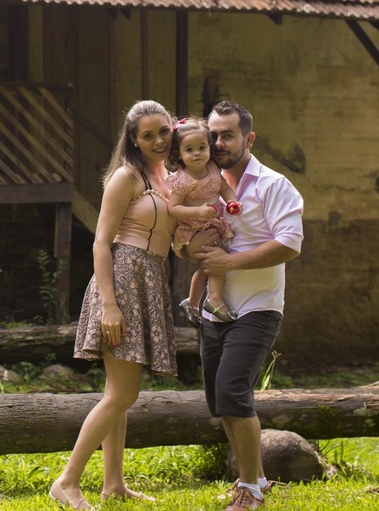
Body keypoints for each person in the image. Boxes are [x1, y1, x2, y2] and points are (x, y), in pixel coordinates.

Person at [49, 100, 193, 510]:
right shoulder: (126, 177)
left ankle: (113, 484)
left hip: (151, 278)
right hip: (123, 279)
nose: (159, 141)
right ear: (133, 139)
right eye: (148, 135)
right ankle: (67, 481)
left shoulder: (170, 177)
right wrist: (110, 304)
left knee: (120, 392)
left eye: (163, 131)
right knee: (122, 395)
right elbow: (100, 242)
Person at [192, 100, 304, 511]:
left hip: (258, 307)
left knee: (232, 390)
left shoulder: (274, 185)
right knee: (218, 399)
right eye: (213, 135)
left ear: (248, 138)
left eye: (227, 135)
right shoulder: (204, 183)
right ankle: (255, 478)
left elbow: (290, 244)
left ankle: (249, 490)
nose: (218, 143)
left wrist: (229, 262)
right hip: (214, 309)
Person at [165, 117, 242, 325]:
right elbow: (172, 208)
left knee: (207, 264)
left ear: (209, 147)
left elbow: (224, 188)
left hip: (212, 224)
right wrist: (198, 211)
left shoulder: (214, 169)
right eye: (189, 150)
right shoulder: (182, 180)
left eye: (201, 147)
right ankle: (214, 299)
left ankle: (192, 301)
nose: (197, 153)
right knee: (216, 259)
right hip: (193, 228)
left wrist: (232, 202)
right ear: (179, 154)